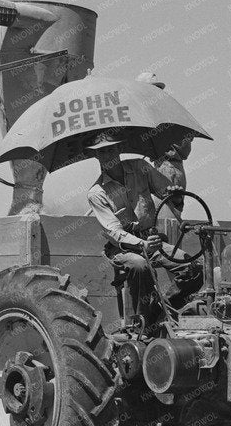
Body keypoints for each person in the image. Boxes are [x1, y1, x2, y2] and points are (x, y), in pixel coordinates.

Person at [85, 132, 200, 313]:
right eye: (102, 151)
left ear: (120, 149)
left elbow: (167, 194)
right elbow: (114, 233)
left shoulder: (141, 167)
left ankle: (163, 308)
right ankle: (143, 321)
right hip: (122, 248)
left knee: (195, 268)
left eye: (111, 149)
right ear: (95, 155)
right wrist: (143, 245)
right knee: (140, 265)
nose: (107, 155)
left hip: (152, 240)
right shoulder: (96, 194)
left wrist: (176, 195)